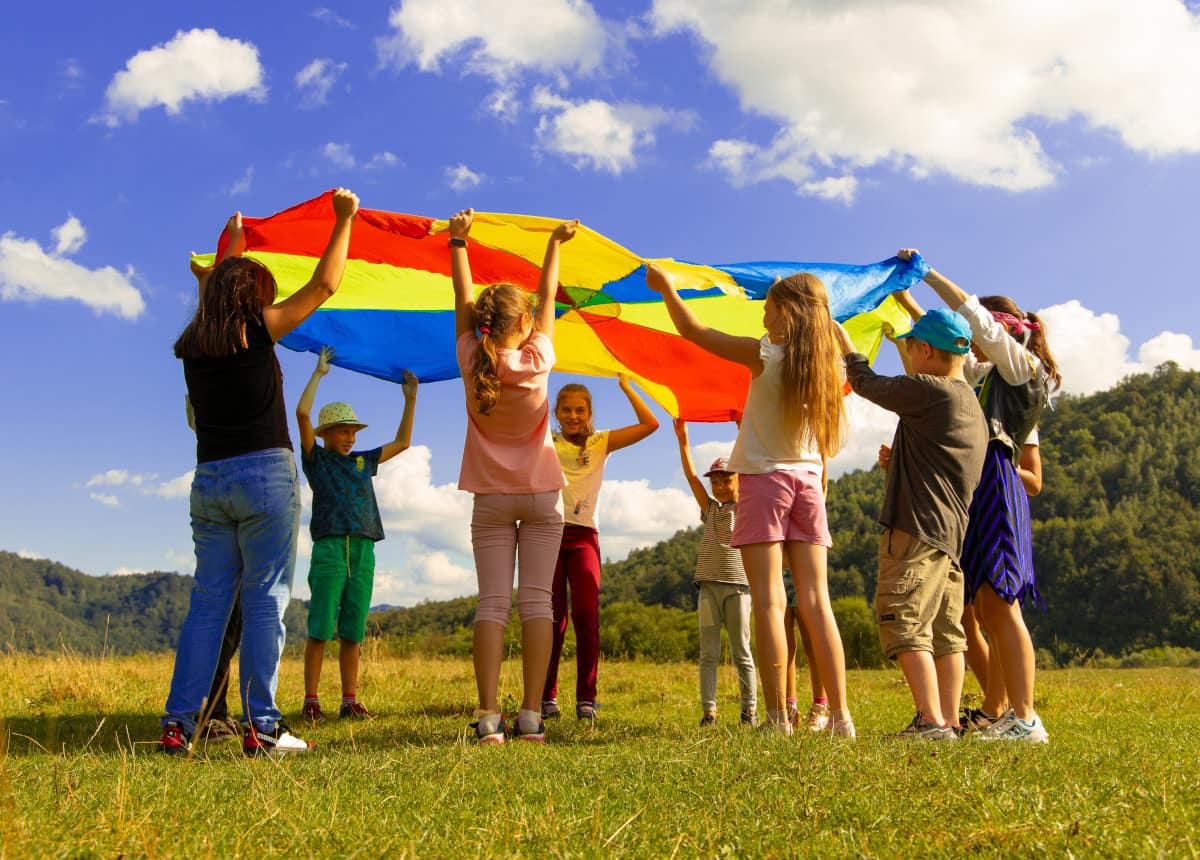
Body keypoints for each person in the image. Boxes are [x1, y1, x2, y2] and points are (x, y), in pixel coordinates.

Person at [161, 188, 360, 758]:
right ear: (251, 298)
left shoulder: (195, 343)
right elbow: (325, 285)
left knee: (208, 604)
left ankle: (178, 726)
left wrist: (234, 244)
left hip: (210, 483)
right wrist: (343, 220)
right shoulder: (257, 330)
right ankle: (264, 728)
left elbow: (214, 295)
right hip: (264, 479)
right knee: (267, 601)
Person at [647, 265, 854, 736]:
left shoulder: (766, 355)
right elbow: (844, 349)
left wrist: (667, 289)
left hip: (764, 480)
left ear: (787, 313)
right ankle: (841, 717)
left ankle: (779, 717)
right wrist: (832, 327)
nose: (762, 312)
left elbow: (692, 329)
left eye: (769, 306)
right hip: (808, 482)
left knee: (768, 601)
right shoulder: (831, 367)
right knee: (819, 601)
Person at [902, 248, 1061, 743]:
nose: (971, 344)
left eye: (980, 334)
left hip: (998, 481)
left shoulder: (1020, 367)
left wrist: (927, 274)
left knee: (1002, 605)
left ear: (999, 331)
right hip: (977, 483)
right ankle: (1006, 714)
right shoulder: (986, 374)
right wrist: (906, 301)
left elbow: (968, 315)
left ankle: (1026, 716)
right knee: (988, 607)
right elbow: (947, 348)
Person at [450, 207, 577, 744]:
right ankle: (529, 716)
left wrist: (459, 242)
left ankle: (486, 718)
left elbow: (461, 302)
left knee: (492, 605)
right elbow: (549, 299)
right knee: (538, 605)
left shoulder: (469, 358)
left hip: (490, 501)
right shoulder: (539, 359)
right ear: (524, 325)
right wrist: (554, 243)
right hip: (543, 497)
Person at [835, 306, 987, 739]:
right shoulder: (969, 403)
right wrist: (898, 461)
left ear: (924, 348)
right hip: (949, 535)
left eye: (910, 347)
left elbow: (865, 383)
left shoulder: (932, 390)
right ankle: (950, 721)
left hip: (916, 528)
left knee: (904, 619)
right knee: (945, 633)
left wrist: (846, 344)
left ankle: (929, 720)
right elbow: (941, 467)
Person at [296, 346, 418, 723]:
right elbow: (301, 413)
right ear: (326, 434)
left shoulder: (364, 461)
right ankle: (311, 700)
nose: (349, 437)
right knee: (319, 628)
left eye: (352, 431)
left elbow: (403, 443)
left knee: (353, 631)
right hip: (330, 548)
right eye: (342, 432)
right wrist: (318, 374)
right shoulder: (317, 460)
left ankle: (349, 699)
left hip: (364, 548)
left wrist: (410, 398)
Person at [540, 378, 659, 721]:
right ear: (556, 413)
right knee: (552, 620)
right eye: (567, 409)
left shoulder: (600, 442)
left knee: (587, 616)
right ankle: (548, 697)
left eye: (580, 409)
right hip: (548, 534)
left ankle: (586, 699)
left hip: (584, 538)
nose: (573, 415)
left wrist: (626, 386)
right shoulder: (546, 440)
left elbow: (650, 424)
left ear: (590, 412)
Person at [673, 420, 756, 728]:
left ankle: (749, 711)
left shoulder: (747, 505)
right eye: (716, 482)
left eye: (727, 480)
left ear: (739, 480)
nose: (720, 486)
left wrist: (743, 429)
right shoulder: (709, 509)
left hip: (738, 589)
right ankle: (709, 712)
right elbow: (692, 477)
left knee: (741, 651)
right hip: (708, 589)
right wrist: (683, 441)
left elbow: (752, 463)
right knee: (708, 654)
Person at [782, 568, 830, 731]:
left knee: (811, 641)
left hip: (802, 567)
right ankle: (789, 708)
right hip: (777, 570)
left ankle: (820, 707)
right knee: (783, 644)